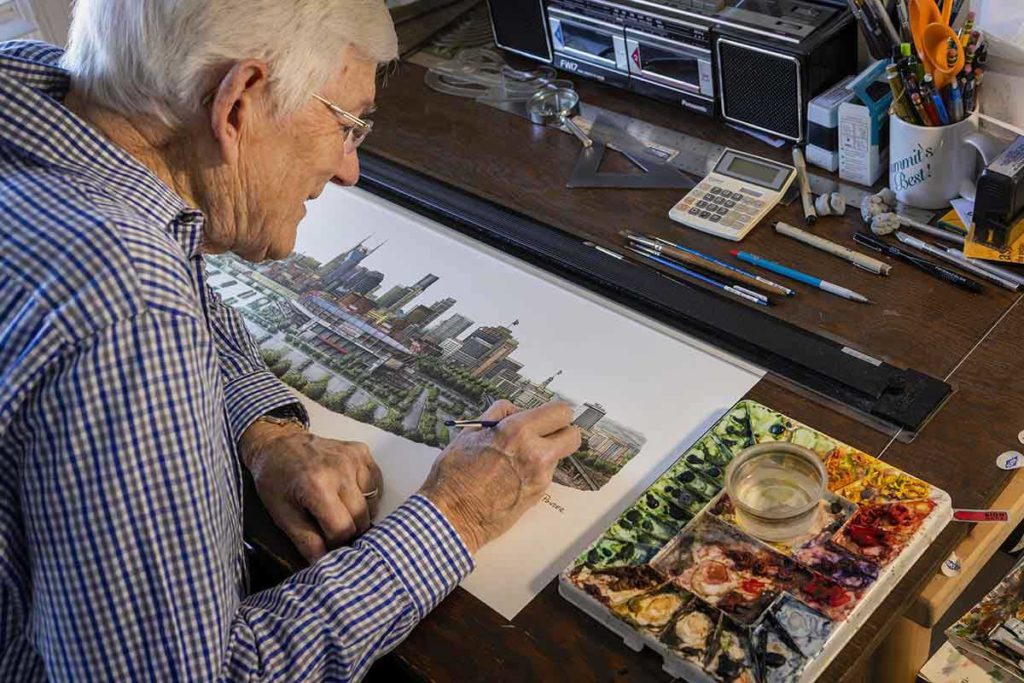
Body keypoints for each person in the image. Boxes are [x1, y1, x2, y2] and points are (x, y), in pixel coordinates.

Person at [0, 1, 581, 680]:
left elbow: (172, 273)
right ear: (238, 103)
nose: (348, 169)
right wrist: (456, 515)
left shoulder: (55, 125)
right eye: (348, 124)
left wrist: (265, 432)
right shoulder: (130, 307)